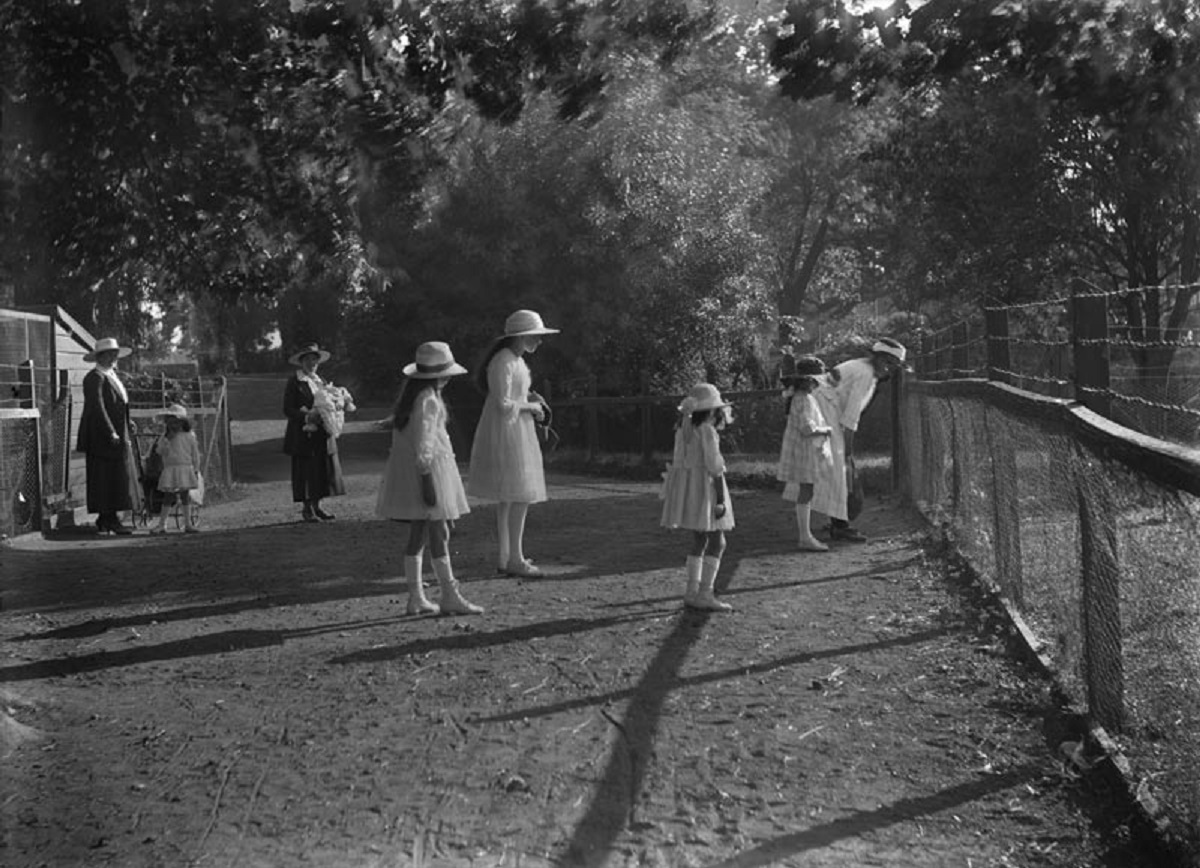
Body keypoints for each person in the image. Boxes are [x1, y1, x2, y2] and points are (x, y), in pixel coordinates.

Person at [376, 342, 483, 615]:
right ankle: (449, 594)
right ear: (437, 375)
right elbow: (425, 444)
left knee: (421, 533)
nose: (448, 378)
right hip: (430, 472)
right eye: (445, 373)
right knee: (439, 532)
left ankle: (417, 597)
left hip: (421, 471)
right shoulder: (429, 400)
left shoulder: (413, 399)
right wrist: (427, 481)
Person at [467, 309, 559, 578]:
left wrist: (531, 401)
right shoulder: (503, 361)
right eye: (535, 336)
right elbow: (502, 403)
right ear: (521, 336)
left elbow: (511, 396)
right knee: (517, 496)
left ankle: (509, 556)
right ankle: (513, 558)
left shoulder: (515, 361)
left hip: (516, 429)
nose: (539, 341)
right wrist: (532, 407)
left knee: (513, 497)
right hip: (507, 431)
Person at [813, 337, 908, 542]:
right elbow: (850, 418)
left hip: (823, 409)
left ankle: (837, 520)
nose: (889, 369)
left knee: (836, 469)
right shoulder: (865, 374)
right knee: (840, 467)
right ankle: (840, 525)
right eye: (887, 362)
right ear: (876, 358)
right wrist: (847, 452)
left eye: (894, 366)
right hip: (823, 410)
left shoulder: (863, 368)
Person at [660, 383, 735, 612]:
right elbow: (714, 467)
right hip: (707, 489)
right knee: (717, 541)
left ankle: (692, 591)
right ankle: (705, 592)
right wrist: (721, 499)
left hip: (691, 490)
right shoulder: (707, 431)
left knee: (699, 539)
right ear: (713, 410)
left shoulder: (684, 431)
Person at [76, 337, 136, 535]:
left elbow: (119, 404)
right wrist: (110, 430)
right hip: (101, 437)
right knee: (103, 477)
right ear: (99, 356)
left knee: (115, 477)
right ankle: (109, 519)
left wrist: (128, 423)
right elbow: (97, 407)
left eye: (114, 354)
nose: (113, 357)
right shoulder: (94, 378)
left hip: (115, 435)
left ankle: (107, 518)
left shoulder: (111, 376)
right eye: (109, 354)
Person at [282, 343, 346, 523]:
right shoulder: (294, 382)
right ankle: (307, 509)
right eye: (308, 359)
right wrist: (307, 417)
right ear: (301, 362)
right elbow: (288, 408)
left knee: (321, 469)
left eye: (315, 360)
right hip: (303, 434)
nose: (312, 363)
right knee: (306, 471)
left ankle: (318, 506)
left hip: (321, 434)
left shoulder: (321, 381)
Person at [777, 355, 835, 552]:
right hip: (804, 450)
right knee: (806, 490)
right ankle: (805, 536)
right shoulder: (804, 399)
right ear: (808, 380)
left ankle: (806, 534)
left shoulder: (801, 398)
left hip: (804, 449)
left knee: (807, 490)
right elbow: (806, 428)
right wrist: (826, 430)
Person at [149, 404, 201, 535]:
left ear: (183, 422)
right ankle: (162, 524)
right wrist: (167, 441)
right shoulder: (164, 437)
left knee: (185, 496)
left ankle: (188, 524)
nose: (173, 425)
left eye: (176, 422)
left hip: (185, 468)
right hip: (171, 469)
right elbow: (160, 451)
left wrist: (196, 468)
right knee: (168, 496)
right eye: (170, 422)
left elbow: (195, 453)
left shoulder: (189, 436)